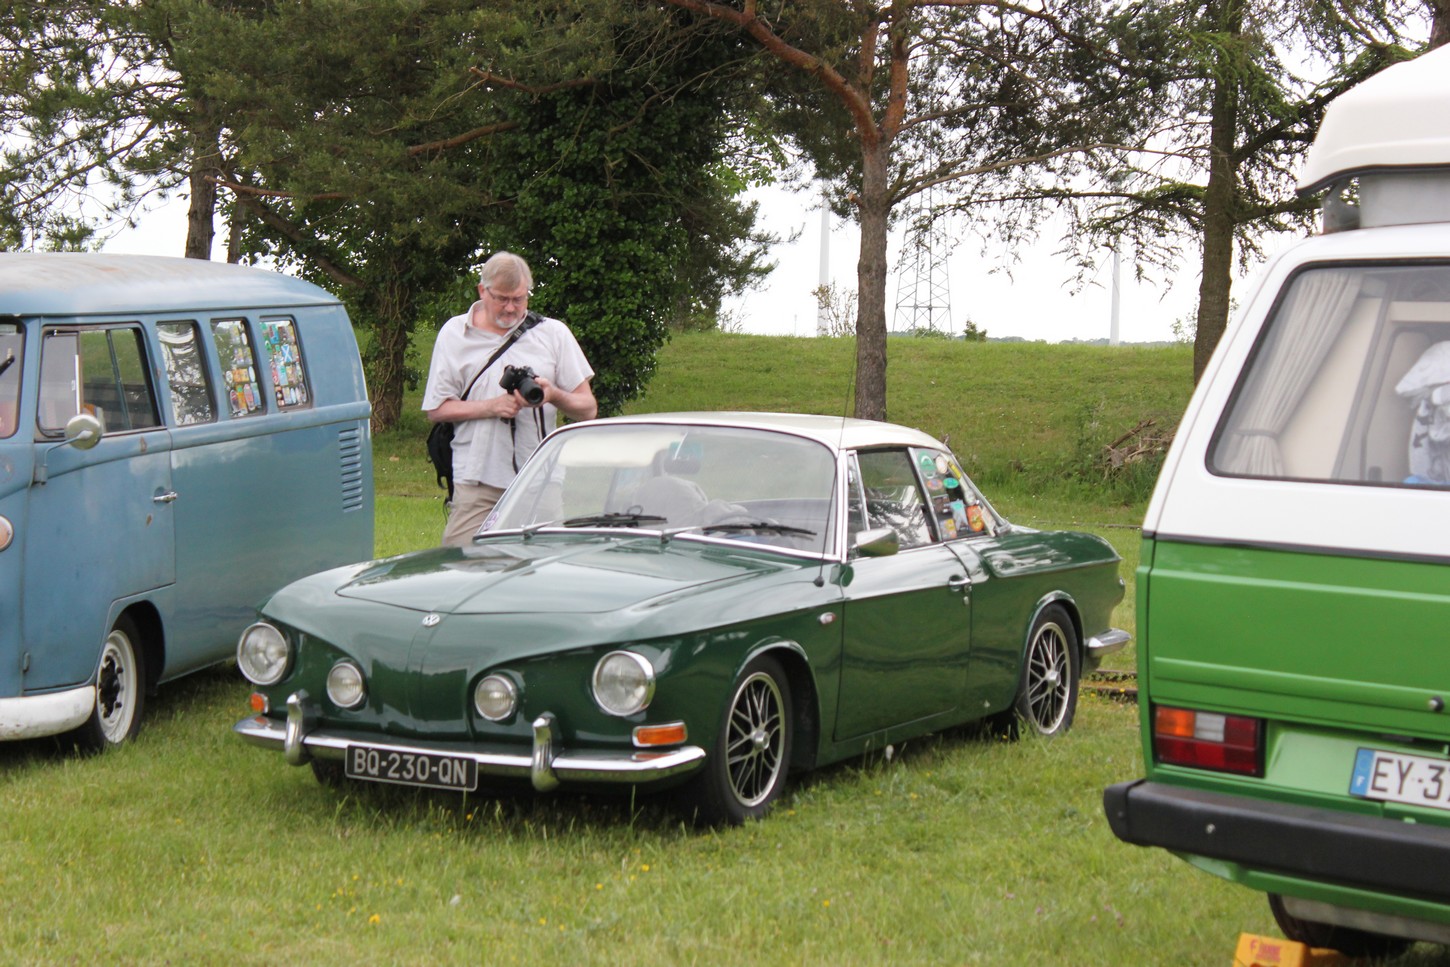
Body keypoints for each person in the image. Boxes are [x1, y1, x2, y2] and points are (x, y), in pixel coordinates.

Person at [423, 252, 597, 546]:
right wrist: (490, 407)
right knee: (460, 566)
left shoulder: (552, 334)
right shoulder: (455, 333)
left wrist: (553, 394)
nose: (510, 308)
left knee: (543, 574)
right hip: (477, 480)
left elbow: (588, 409)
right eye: (502, 298)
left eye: (519, 299)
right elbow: (437, 410)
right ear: (482, 290)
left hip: (540, 481)